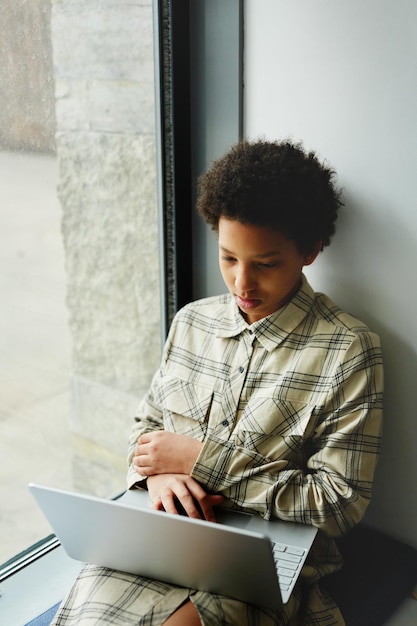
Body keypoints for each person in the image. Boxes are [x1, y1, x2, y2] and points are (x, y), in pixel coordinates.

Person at [52, 140, 383, 626]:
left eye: (265, 263)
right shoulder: (192, 323)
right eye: (228, 258)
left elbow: (338, 504)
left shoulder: (350, 349)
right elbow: (146, 430)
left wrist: (201, 460)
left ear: (310, 250)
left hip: (259, 559)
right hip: (163, 533)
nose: (242, 283)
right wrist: (159, 474)